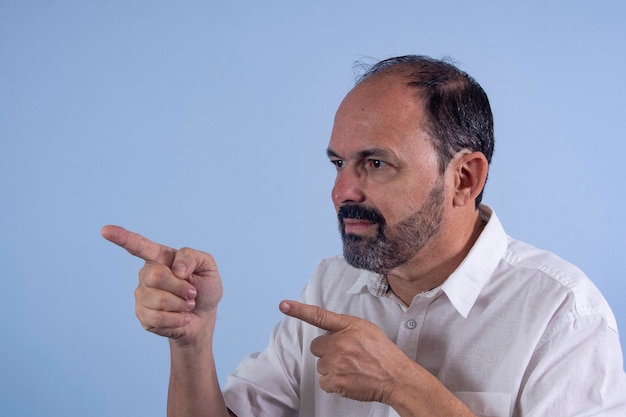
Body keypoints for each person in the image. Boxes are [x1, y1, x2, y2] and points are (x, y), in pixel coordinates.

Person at [101, 55, 626, 417]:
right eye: (338, 163)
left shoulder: (563, 312)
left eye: (376, 163)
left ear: (464, 178)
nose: (341, 192)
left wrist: (405, 386)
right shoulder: (331, 287)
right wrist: (192, 339)